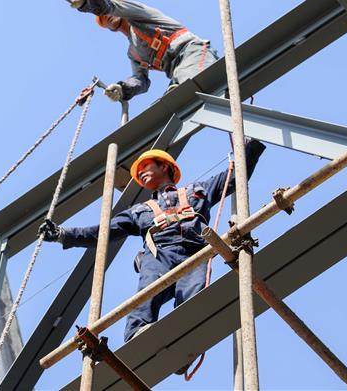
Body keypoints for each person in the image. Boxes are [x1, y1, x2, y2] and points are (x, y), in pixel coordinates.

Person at [40, 140, 265, 344]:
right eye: (139, 171)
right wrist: (62, 234)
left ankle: (185, 340)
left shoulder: (196, 191)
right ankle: (139, 335)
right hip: (160, 254)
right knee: (147, 293)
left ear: (164, 166)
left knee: (194, 295)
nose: (141, 173)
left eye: (146, 166)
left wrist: (249, 149)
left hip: (195, 252)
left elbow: (233, 178)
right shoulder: (140, 211)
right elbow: (102, 233)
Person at [58, 0, 217, 102]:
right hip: (176, 72)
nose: (106, 16)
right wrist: (123, 89)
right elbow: (141, 80)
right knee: (171, 102)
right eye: (102, 19)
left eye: (105, 12)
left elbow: (110, 6)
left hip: (191, 53)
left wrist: (86, 0)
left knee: (184, 89)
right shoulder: (134, 54)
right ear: (106, 28)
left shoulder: (139, 14)